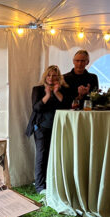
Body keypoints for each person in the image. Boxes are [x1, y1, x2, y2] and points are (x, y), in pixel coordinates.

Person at [26, 65, 71, 194]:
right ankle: (40, 186)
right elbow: (36, 108)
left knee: (56, 155)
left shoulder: (63, 90)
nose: (51, 78)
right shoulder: (38, 89)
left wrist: (56, 92)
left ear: (59, 77)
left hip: (59, 128)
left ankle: (51, 182)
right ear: (45, 76)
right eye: (49, 75)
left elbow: (67, 105)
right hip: (41, 127)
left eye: (54, 75)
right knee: (41, 156)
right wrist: (47, 95)